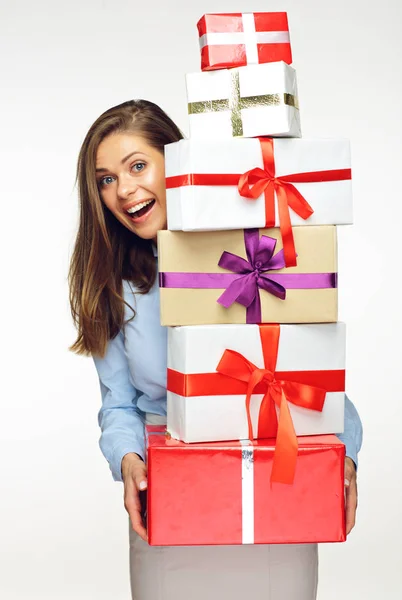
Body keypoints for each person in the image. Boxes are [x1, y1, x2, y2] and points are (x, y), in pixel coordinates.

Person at [69, 99, 363, 600]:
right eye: (105, 179)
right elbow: (118, 404)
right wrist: (128, 459)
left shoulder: (254, 257)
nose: (124, 191)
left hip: (275, 489)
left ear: (179, 166)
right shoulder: (113, 287)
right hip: (175, 494)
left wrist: (345, 457)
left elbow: (311, 373)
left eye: (137, 166)